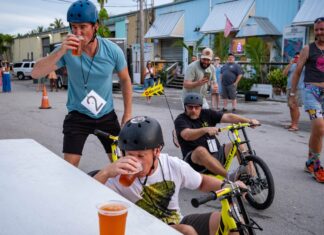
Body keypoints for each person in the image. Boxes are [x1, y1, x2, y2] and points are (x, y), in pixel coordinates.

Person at [94, 116, 245, 235]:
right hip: (141, 230)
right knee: (187, 231)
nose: (134, 161)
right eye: (130, 154)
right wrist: (106, 172)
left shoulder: (172, 165)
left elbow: (202, 182)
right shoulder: (117, 173)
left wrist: (230, 186)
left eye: (141, 156)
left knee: (231, 220)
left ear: (157, 151)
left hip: (175, 222)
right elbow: (86, 195)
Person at [31, 0, 132, 167]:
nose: (77, 32)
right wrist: (60, 51)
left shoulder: (112, 51)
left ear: (95, 26)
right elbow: (36, 73)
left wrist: (127, 114)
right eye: (73, 27)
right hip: (77, 115)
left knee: (120, 163)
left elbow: (125, 79)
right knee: (70, 168)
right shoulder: (67, 49)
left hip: (106, 115)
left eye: (83, 27)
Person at [174, 92, 259, 178]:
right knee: (200, 151)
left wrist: (249, 121)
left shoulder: (206, 114)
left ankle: (252, 179)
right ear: (185, 107)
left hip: (216, 155)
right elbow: (187, 135)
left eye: (196, 107)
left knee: (238, 144)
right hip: (195, 163)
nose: (193, 110)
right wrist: (205, 130)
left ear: (201, 107)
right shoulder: (181, 120)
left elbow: (228, 117)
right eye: (190, 107)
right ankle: (229, 176)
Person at [289, 17, 324, 183]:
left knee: (318, 131)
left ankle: (310, 162)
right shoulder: (307, 49)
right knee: (319, 126)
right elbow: (297, 72)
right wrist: (292, 95)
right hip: (311, 91)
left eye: (322, 29)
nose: (318, 32)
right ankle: (316, 166)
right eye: (316, 29)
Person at [283, 52, 304, 131]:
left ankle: (295, 125)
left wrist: (300, 63)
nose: (296, 58)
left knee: (295, 107)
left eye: (298, 57)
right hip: (289, 87)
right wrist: (290, 63)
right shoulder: (292, 65)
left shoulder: (304, 66)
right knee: (291, 107)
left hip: (298, 88)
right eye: (296, 57)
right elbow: (284, 74)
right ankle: (292, 123)